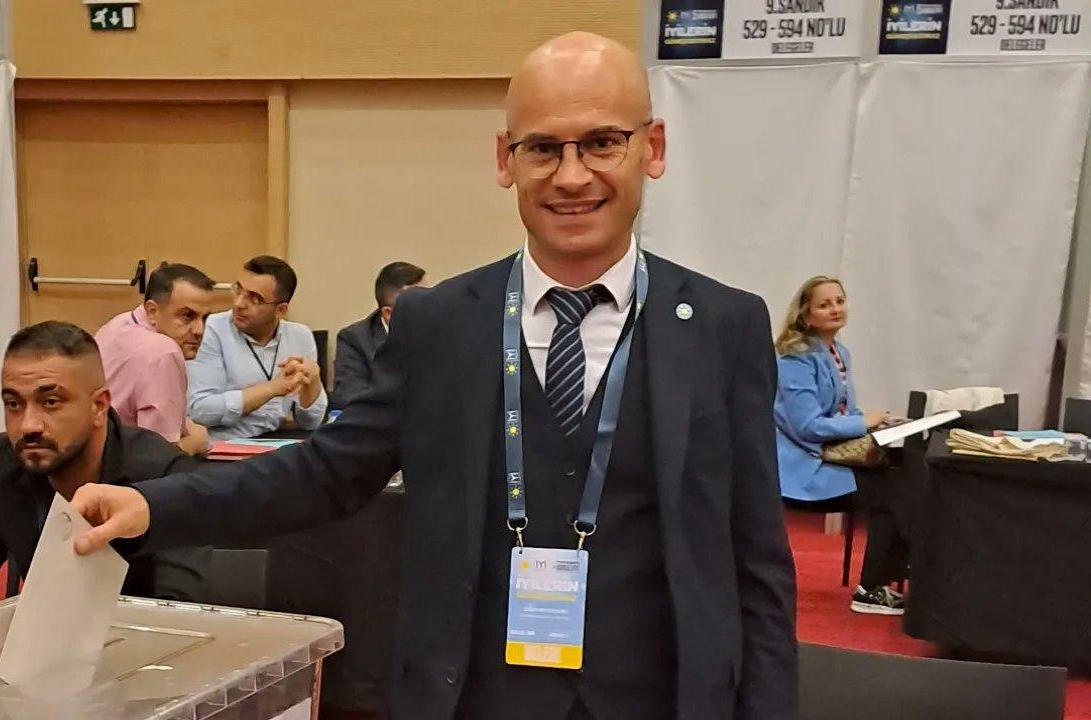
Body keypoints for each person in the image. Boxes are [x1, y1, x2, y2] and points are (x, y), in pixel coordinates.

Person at [72, 32, 795, 720]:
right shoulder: (440, 324)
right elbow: (325, 473)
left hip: (664, 698)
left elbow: (757, 560)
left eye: (603, 142)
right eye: (543, 147)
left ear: (653, 148)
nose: (572, 175)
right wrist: (156, 506)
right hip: (473, 697)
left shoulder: (723, 327)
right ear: (506, 159)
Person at [0, 321, 206, 628]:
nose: (28, 425)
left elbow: (181, 614)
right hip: (43, 645)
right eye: (13, 404)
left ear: (99, 406)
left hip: (144, 644)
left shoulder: (163, 474)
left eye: (50, 402)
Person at [773, 275, 908, 615]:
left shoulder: (839, 352)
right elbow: (808, 426)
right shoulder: (794, 360)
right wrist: (864, 423)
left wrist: (880, 421)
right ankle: (872, 589)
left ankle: (894, 576)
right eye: (824, 304)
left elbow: (842, 411)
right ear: (806, 315)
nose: (835, 309)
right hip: (802, 466)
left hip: (827, 456)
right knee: (893, 493)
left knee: (908, 470)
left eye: (839, 301)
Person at [186, 255, 327, 439]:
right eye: (238, 290)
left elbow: (310, 423)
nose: (238, 303)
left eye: (255, 299)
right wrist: (272, 388)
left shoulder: (300, 336)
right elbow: (200, 411)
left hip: (274, 442)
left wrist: (313, 382)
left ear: (280, 310)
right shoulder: (210, 329)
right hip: (221, 445)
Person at [95, 263, 214, 455]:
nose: (199, 330)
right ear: (152, 311)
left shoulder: (116, 325)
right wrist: (196, 442)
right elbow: (160, 458)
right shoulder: (163, 351)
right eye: (187, 316)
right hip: (121, 466)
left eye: (205, 318)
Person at [332, 261, 426, 408]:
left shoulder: (444, 332)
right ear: (388, 313)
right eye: (421, 304)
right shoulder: (355, 340)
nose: (429, 308)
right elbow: (351, 401)